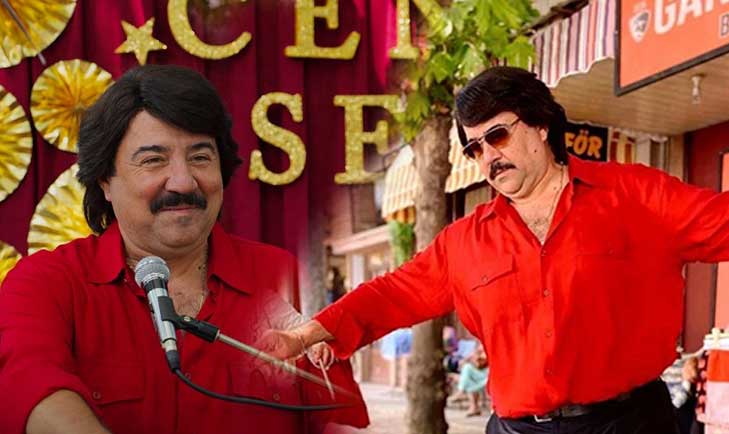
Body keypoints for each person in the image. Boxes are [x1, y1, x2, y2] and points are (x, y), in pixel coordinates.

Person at [261, 66, 729, 434]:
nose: (488, 157)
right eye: (474, 149)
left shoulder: (636, 196)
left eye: (497, 136)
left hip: (630, 423)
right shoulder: (464, 240)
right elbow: (392, 294)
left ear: (541, 125)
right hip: (517, 429)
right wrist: (306, 336)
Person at [0, 65, 367, 434]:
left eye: (200, 157)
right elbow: (27, 384)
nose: (183, 182)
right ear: (105, 182)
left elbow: (338, 415)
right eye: (153, 160)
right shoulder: (47, 282)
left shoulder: (283, 276)